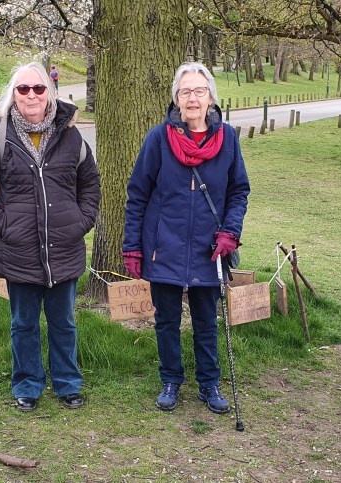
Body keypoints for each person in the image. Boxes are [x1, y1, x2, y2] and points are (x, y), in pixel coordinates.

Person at [0, 61, 101, 412]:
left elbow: (91, 185)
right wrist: (6, 225)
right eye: (23, 89)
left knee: (64, 322)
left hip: (64, 250)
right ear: (14, 95)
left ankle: (68, 384)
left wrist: (80, 221)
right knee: (23, 325)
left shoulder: (70, 136)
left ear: (49, 93)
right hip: (19, 252)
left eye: (38, 88)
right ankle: (27, 384)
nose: (31, 95)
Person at [122, 62, 251, 414]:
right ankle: (171, 380)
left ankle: (209, 383)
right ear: (176, 99)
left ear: (210, 97)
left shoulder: (228, 140)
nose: (192, 98)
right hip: (164, 246)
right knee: (166, 320)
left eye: (199, 91)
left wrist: (231, 231)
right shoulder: (158, 139)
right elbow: (137, 195)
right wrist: (132, 246)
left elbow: (239, 191)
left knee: (207, 320)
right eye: (185, 92)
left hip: (209, 248)